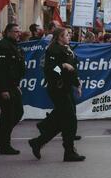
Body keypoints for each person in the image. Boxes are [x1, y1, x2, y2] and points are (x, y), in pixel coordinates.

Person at [29, 28, 86, 162]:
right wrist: (62, 65)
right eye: (66, 35)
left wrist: (77, 84)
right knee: (70, 120)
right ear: (59, 37)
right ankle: (69, 151)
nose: (69, 36)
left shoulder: (67, 48)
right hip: (57, 88)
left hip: (66, 87)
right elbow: (50, 69)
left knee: (64, 121)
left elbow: (72, 69)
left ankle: (39, 139)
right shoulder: (53, 50)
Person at [0, 24, 26, 155]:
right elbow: (0, 71)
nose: (18, 34)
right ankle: (5, 145)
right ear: (8, 32)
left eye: (19, 31)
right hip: (4, 86)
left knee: (18, 113)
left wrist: (16, 85)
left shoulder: (14, 46)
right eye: (16, 31)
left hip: (12, 85)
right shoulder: (2, 47)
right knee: (8, 116)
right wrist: (3, 89)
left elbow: (14, 69)